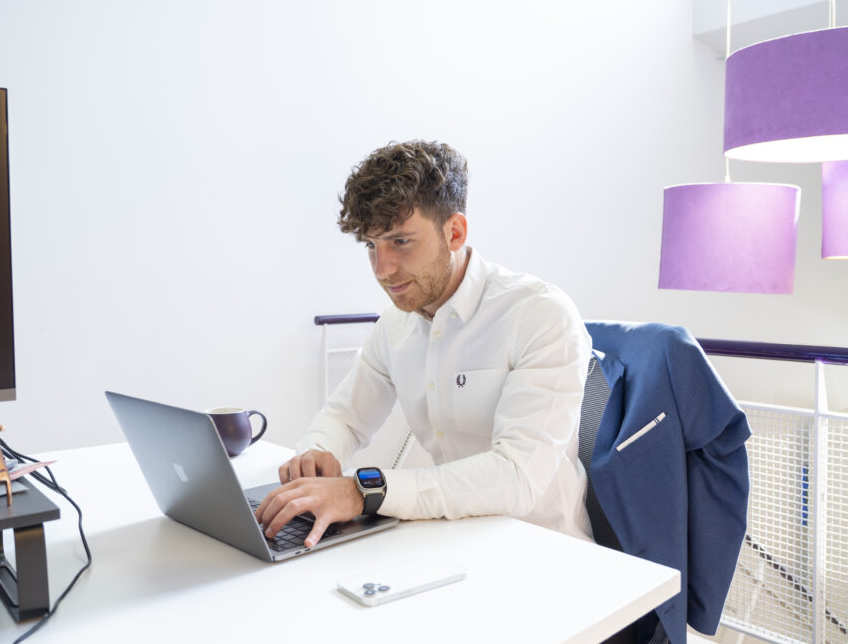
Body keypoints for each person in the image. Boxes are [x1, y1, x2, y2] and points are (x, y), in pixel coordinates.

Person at [254, 140, 593, 548]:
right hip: (449, 542)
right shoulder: (396, 325)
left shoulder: (539, 314)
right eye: (371, 246)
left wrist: (365, 491)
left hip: (543, 553)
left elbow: (517, 478)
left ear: (455, 232)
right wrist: (316, 451)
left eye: (400, 242)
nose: (382, 269)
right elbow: (344, 417)